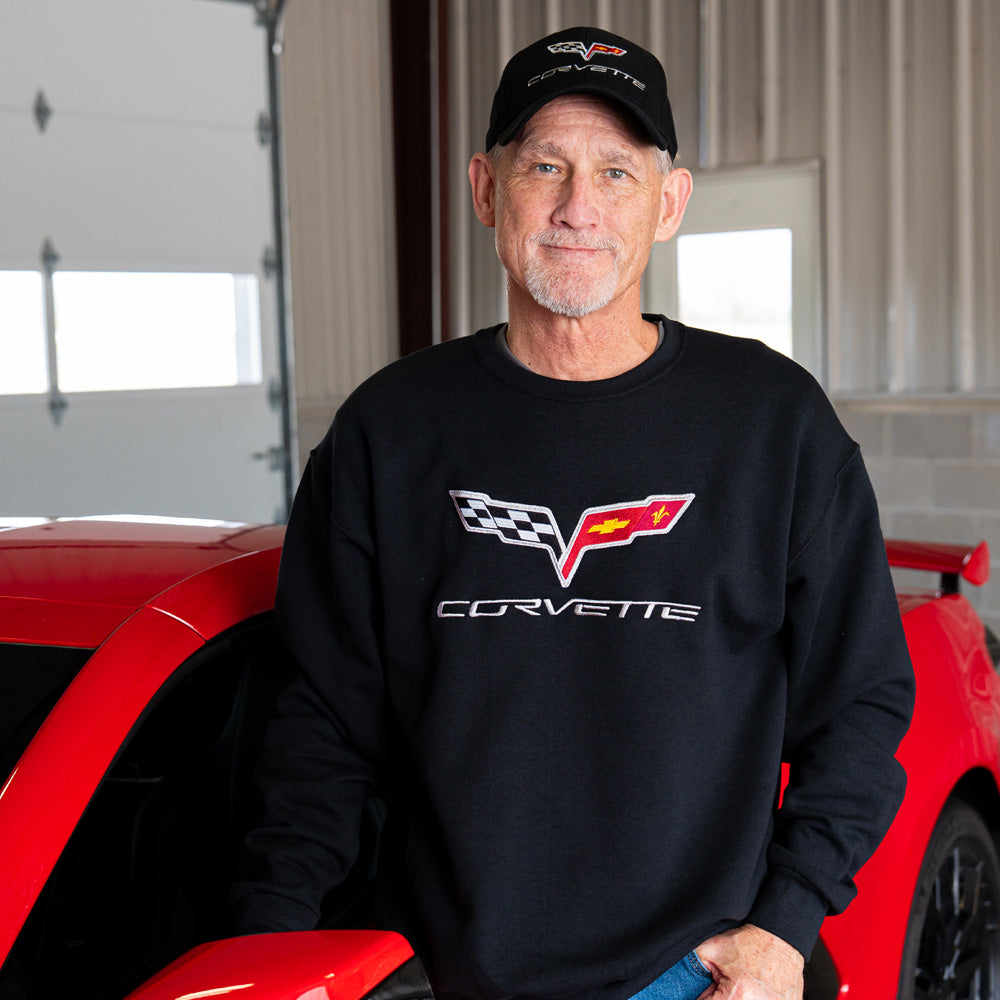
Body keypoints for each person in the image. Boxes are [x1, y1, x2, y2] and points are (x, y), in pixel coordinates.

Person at [231, 26, 915, 1000]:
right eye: (543, 164)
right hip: (439, 972)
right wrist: (269, 949)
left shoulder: (772, 424)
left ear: (668, 204)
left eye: (616, 173)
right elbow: (320, 727)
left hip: (696, 972)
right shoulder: (388, 431)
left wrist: (784, 927)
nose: (575, 207)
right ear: (484, 189)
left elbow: (859, 702)